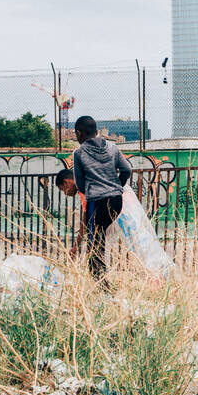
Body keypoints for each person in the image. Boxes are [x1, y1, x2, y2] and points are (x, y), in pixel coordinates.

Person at [67, 116, 131, 280]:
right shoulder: (113, 148)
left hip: (97, 201)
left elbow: (80, 183)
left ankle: (100, 283)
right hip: (116, 201)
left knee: (94, 243)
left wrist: (91, 191)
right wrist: (116, 187)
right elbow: (127, 170)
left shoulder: (79, 153)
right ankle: (102, 281)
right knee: (100, 239)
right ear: (96, 131)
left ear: (79, 133)